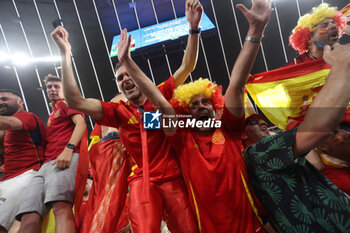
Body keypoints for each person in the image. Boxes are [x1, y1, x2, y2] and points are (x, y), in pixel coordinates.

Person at [115, 0, 273, 232]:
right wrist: (127, 62)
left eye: (205, 101)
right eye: (194, 104)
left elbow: (237, 83)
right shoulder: (182, 138)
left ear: (215, 106)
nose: (200, 106)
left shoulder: (228, 129)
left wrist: (255, 31)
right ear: (184, 111)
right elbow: (159, 103)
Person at [50, 0, 203, 232]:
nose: (125, 79)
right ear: (119, 88)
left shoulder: (159, 94)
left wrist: (193, 29)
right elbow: (75, 101)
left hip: (173, 177)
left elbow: (187, 66)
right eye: (120, 78)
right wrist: (65, 53)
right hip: (141, 181)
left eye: (127, 74)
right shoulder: (117, 112)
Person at [244, 42, 350, 232]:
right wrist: (342, 67)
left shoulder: (275, 149)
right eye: (251, 122)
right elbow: (320, 128)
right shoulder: (257, 154)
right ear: (241, 134)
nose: (260, 122)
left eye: (261, 120)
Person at [16, 75, 86, 233]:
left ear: (63, 89)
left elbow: (81, 124)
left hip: (64, 157)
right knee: (29, 214)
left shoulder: (67, 103)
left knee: (60, 206)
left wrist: (68, 149)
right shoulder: (52, 112)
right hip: (46, 164)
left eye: (56, 86)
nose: (52, 89)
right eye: (49, 87)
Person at [0, 90, 45, 233]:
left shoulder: (27, 116)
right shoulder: (6, 130)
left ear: (20, 102)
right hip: (9, 178)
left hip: (27, 174)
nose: (0, 102)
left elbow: (11, 123)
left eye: (4, 99)